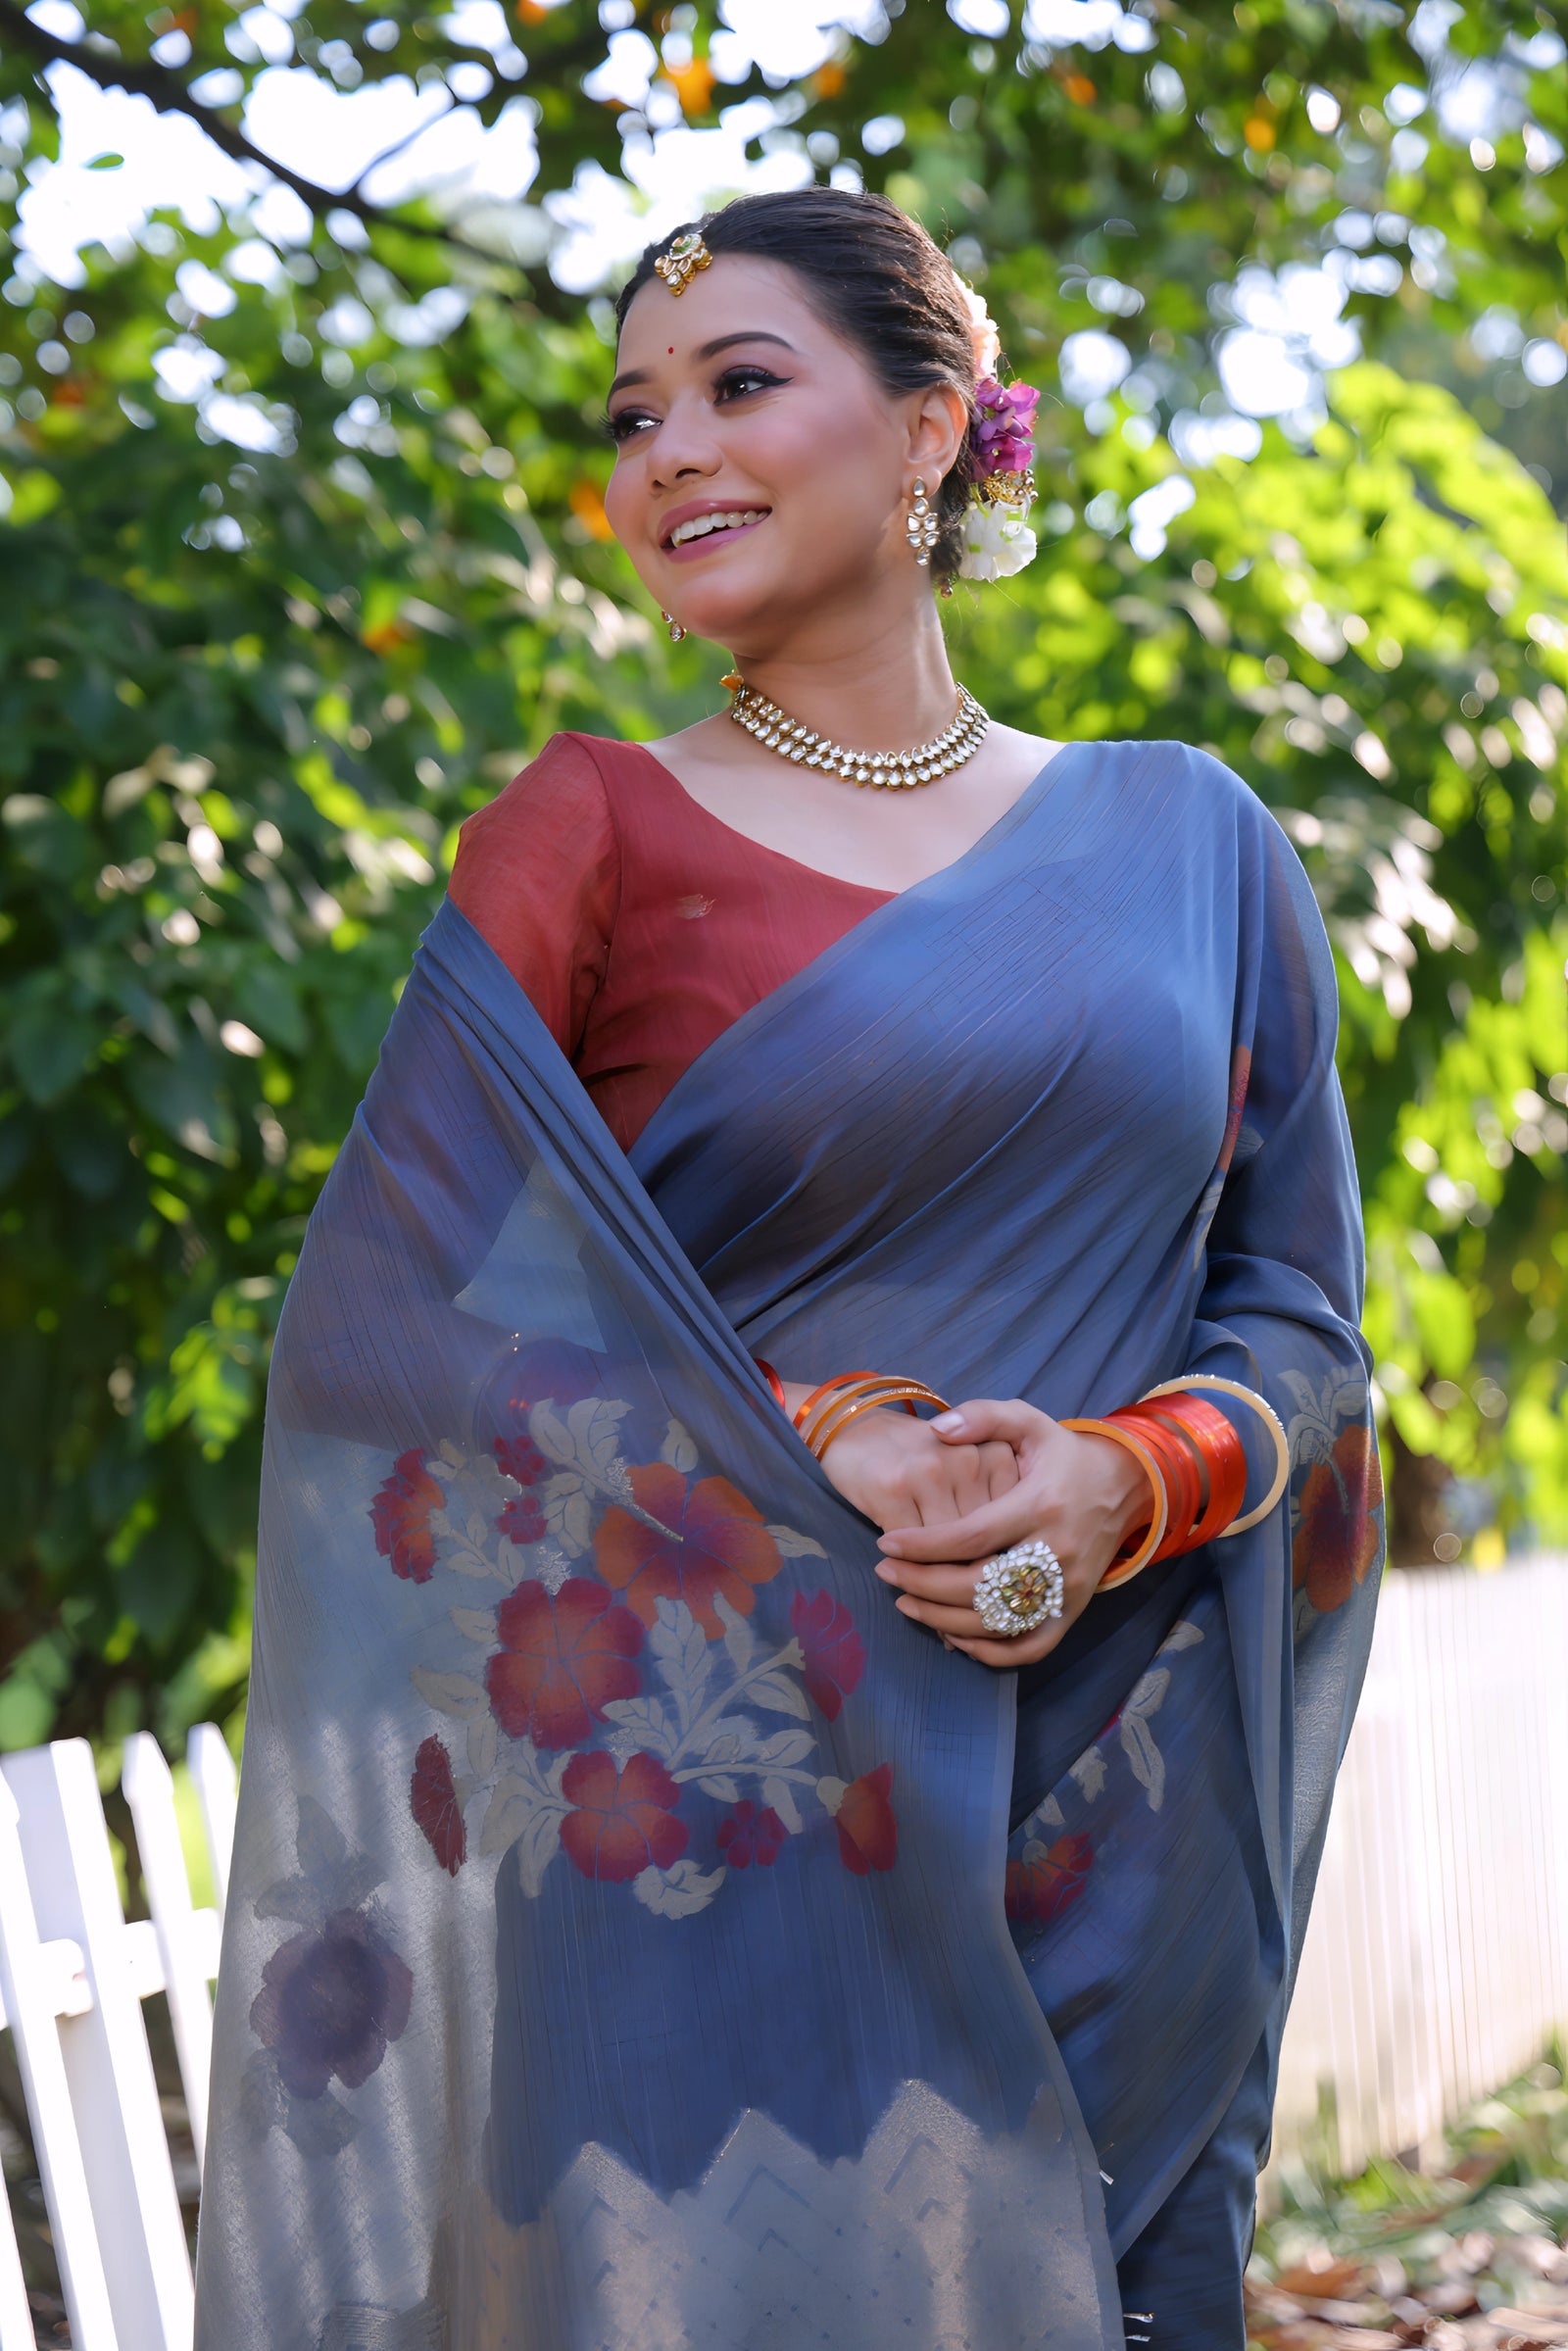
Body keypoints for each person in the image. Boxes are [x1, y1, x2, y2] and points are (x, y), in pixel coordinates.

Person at [195, 189, 1385, 2351]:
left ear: (931, 429)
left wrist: (1127, 1481)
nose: (668, 451)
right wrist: (807, 1432)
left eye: (738, 384)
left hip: (1113, 1806)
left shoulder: (1194, 843)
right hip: (714, 1816)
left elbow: (1299, 1320)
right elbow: (378, 1329)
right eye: (633, 415)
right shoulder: (588, 833)